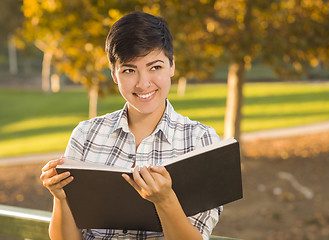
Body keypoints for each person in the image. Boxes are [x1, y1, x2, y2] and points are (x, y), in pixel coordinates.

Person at [40, 11, 222, 240]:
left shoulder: (200, 142)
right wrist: (60, 196)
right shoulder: (86, 135)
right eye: (129, 70)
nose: (143, 83)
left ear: (172, 66)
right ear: (115, 75)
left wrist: (165, 201)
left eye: (155, 67)